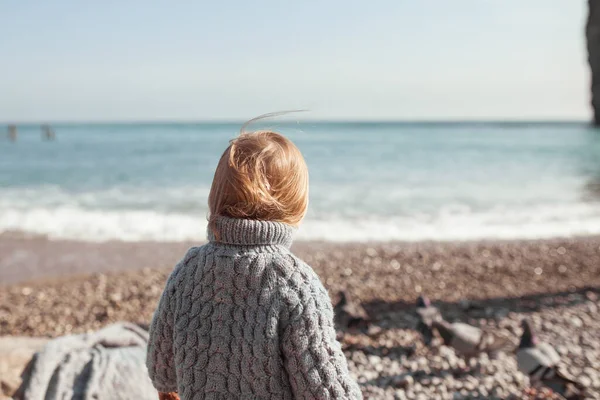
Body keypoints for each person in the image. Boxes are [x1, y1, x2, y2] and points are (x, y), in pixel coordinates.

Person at [146, 122, 362, 400]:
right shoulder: (294, 282)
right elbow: (326, 390)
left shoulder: (189, 270)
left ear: (216, 197)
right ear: (296, 205)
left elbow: (161, 370)